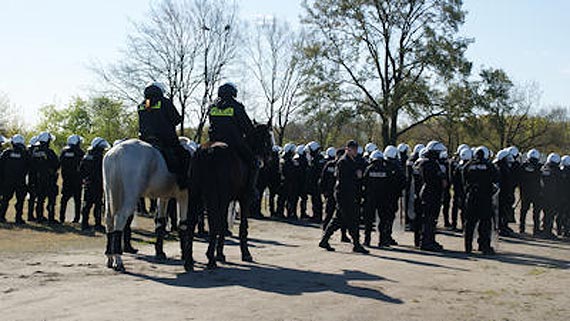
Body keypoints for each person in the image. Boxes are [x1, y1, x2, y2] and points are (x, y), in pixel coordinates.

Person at [319, 140, 369, 254]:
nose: (355, 151)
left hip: (350, 194)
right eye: (353, 149)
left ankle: (324, 240)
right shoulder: (343, 162)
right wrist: (356, 176)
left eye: (356, 149)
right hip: (344, 194)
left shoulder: (354, 161)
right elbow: (343, 180)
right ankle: (356, 244)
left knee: (338, 219)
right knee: (352, 219)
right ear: (348, 149)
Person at [208, 82, 256, 195]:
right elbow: (247, 127)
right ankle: (250, 190)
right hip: (235, 144)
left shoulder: (212, 107)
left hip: (213, 143)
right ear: (233, 93)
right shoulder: (237, 106)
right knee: (253, 162)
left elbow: (211, 124)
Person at [138, 82, 188, 188]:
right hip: (164, 139)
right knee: (184, 155)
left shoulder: (144, 104)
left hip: (145, 139)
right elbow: (176, 120)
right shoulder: (165, 102)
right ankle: (182, 182)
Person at [463, 146, 498, 255]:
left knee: (469, 223)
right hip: (485, 198)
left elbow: (463, 180)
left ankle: (467, 246)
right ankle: (484, 246)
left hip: (471, 197)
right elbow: (496, 180)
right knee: (485, 223)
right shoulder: (490, 166)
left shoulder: (468, 165)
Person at [418, 141, 447, 251]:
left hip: (430, 193)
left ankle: (429, 240)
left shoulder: (427, 163)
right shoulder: (430, 164)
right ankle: (426, 242)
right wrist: (442, 178)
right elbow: (434, 179)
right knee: (429, 218)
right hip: (431, 194)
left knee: (431, 219)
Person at [80, 137, 109, 231]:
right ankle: (97, 224)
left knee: (87, 204)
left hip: (88, 183)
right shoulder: (100, 157)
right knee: (97, 204)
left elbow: (81, 169)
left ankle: (84, 223)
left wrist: (84, 179)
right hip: (97, 183)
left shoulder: (86, 156)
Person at [0, 135, 30, 224]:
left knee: (5, 199)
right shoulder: (25, 153)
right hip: (20, 181)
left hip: (7, 181)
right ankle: (18, 218)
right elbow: (29, 167)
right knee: (20, 200)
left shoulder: (6, 153)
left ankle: (1, 216)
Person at [30, 132, 59, 223]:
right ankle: (51, 218)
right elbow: (57, 164)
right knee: (51, 200)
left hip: (37, 179)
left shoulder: (35, 152)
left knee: (40, 200)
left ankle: (39, 217)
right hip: (49, 180)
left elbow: (31, 166)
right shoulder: (49, 152)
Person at [59, 134, 85, 223]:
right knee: (77, 200)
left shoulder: (63, 151)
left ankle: (61, 217)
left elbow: (60, 164)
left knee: (64, 200)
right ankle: (76, 218)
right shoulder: (80, 152)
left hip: (66, 179)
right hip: (77, 180)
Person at [518, 149, 543, 235]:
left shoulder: (523, 166)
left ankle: (521, 228)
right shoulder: (539, 167)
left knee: (523, 210)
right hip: (536, 192)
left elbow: (519, 180)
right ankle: (536, 229)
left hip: (525, 192)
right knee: (536, 211)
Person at [494, 149, 517, 237]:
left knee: (504, 211)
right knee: (501, 211)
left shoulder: (505, 167)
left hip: (505, 193)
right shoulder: (501, 168)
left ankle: (504, 226)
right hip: (502, 194)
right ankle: (500, 227)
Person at [540, 153, 562, 239]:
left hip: (543, 195)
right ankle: (547, 231)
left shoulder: (543, 169)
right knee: (550, 213)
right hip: (553, 196)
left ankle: (544, 228)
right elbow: (561, 185)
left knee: (545, 212)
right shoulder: (557, 171)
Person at [306, 141, 325, 222]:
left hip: (317, 182)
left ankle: (317, 216)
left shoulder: (317, 160)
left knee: (316, 199)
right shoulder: (320, 158)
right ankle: (317, 215)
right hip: (317, 182)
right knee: (316, 199)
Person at [320, 147, 338, 229]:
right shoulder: (342, 165)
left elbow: (323, 178)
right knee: (330, 212)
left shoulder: (329, 164)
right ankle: (325, 228)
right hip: (333, 192)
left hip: (332, 192)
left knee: (330, 212)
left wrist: (323, 190)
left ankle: (325, 228)